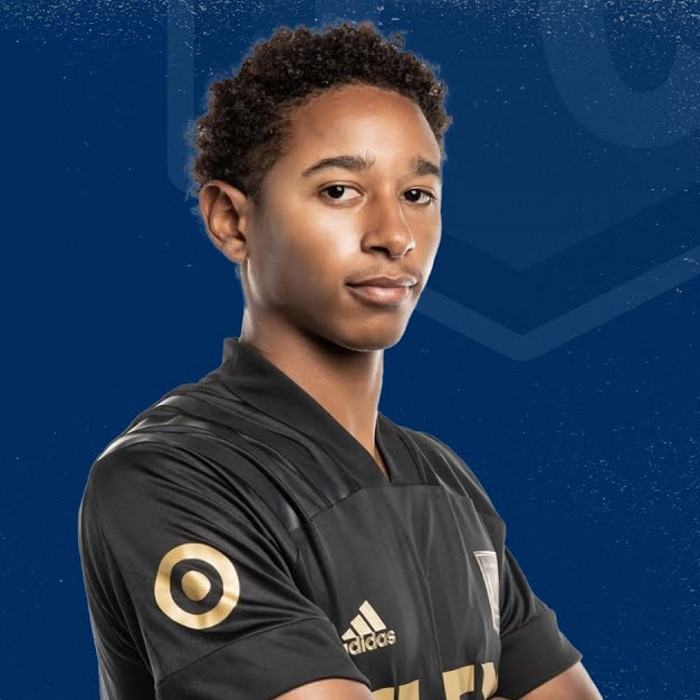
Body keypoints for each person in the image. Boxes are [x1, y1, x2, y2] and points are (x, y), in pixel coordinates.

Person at [78, 21, 603, 700]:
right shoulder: (168, 476)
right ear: (231, 220)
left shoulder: (445, 479)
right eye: (339, 191)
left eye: (417, 194)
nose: (395, 235)